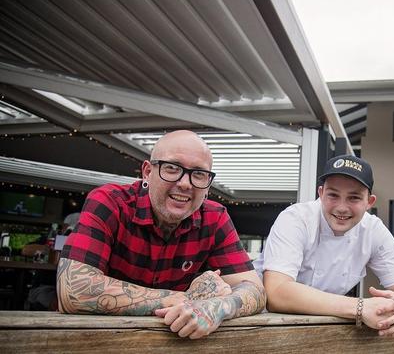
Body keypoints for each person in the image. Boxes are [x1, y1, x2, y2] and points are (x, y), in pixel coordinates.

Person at [57, 130, 265, 339]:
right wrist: (189, 299)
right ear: (147, 172)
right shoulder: (110, 203)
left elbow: (255, 290)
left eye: (199, 174)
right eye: (172, 168)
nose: (185, 183)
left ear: (208, 184)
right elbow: (73, 290)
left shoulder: (215, 218)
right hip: (96, 340)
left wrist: (219, 306)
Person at [254, 155, 394, 336]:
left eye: (353, 198)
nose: (342, 207)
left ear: (369, 202)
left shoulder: (373, 230)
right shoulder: (296, 219)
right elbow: (276, 292)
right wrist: (360, 307)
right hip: (265, 327)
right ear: (321, 194)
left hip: (324, 329)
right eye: (333, 195)